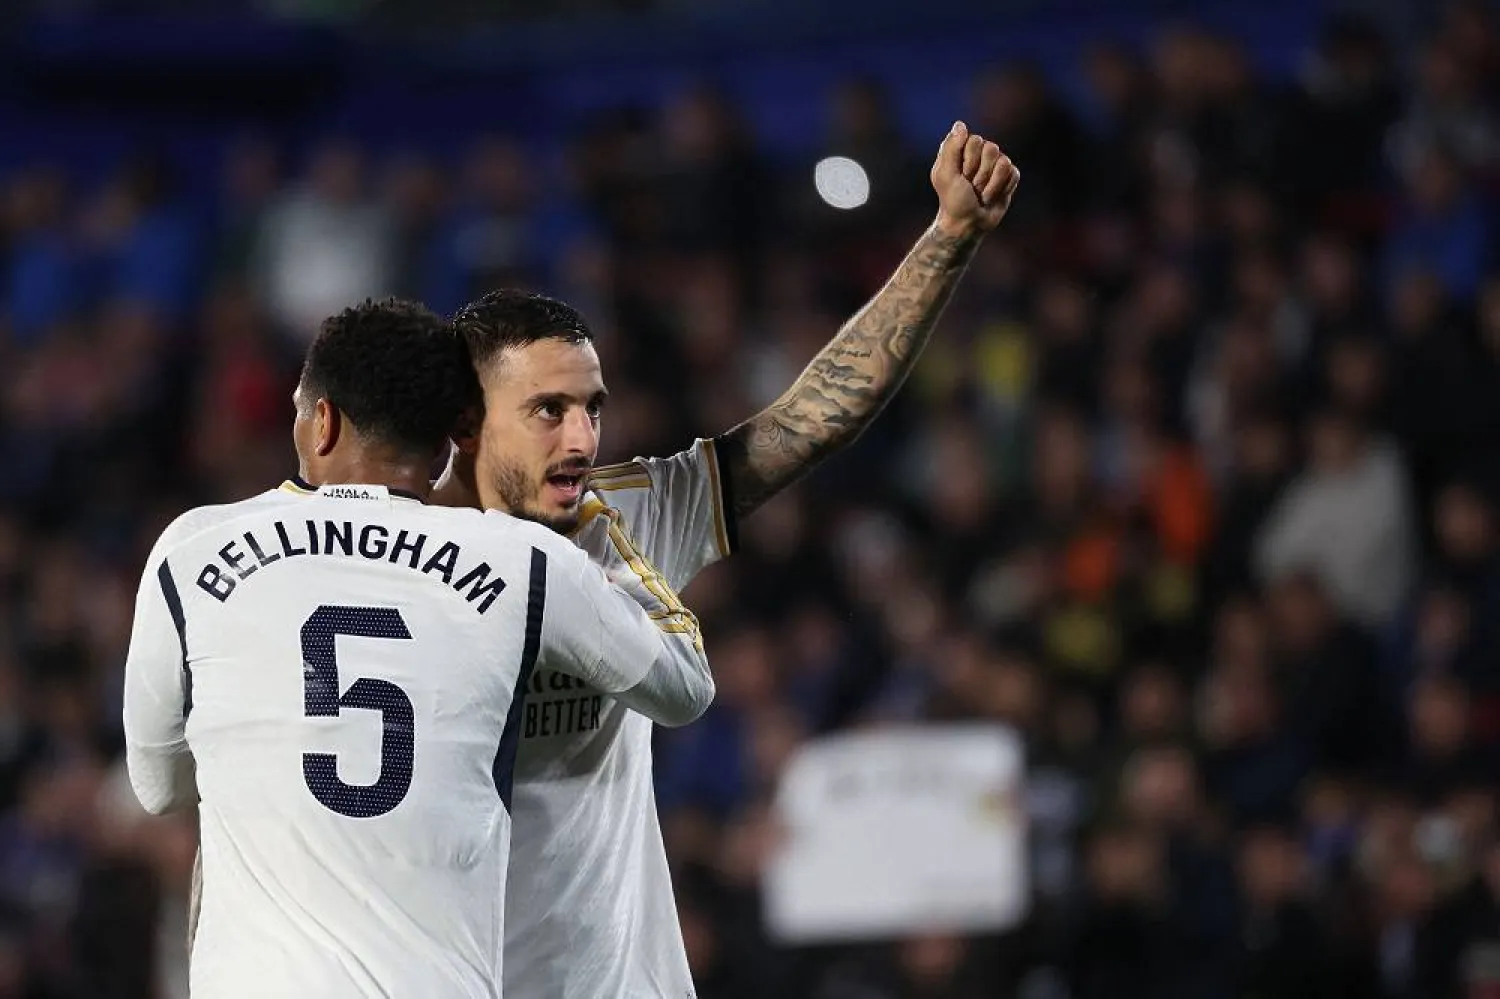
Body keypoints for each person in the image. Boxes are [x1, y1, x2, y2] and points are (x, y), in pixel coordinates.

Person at [436, 121, 1019, 997]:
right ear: (468, 420)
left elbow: (813, 418)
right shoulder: (395, 557)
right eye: (548, 410)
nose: (584, 436)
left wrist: (948, 237)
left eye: (593, 406)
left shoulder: (628, 510)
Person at [123, 299, 713, 998]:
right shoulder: (520, 562)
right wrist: (609, 536)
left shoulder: (195, 548)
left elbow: (158, 787)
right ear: (444, 444)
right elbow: (683, 689)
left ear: (322, 420)